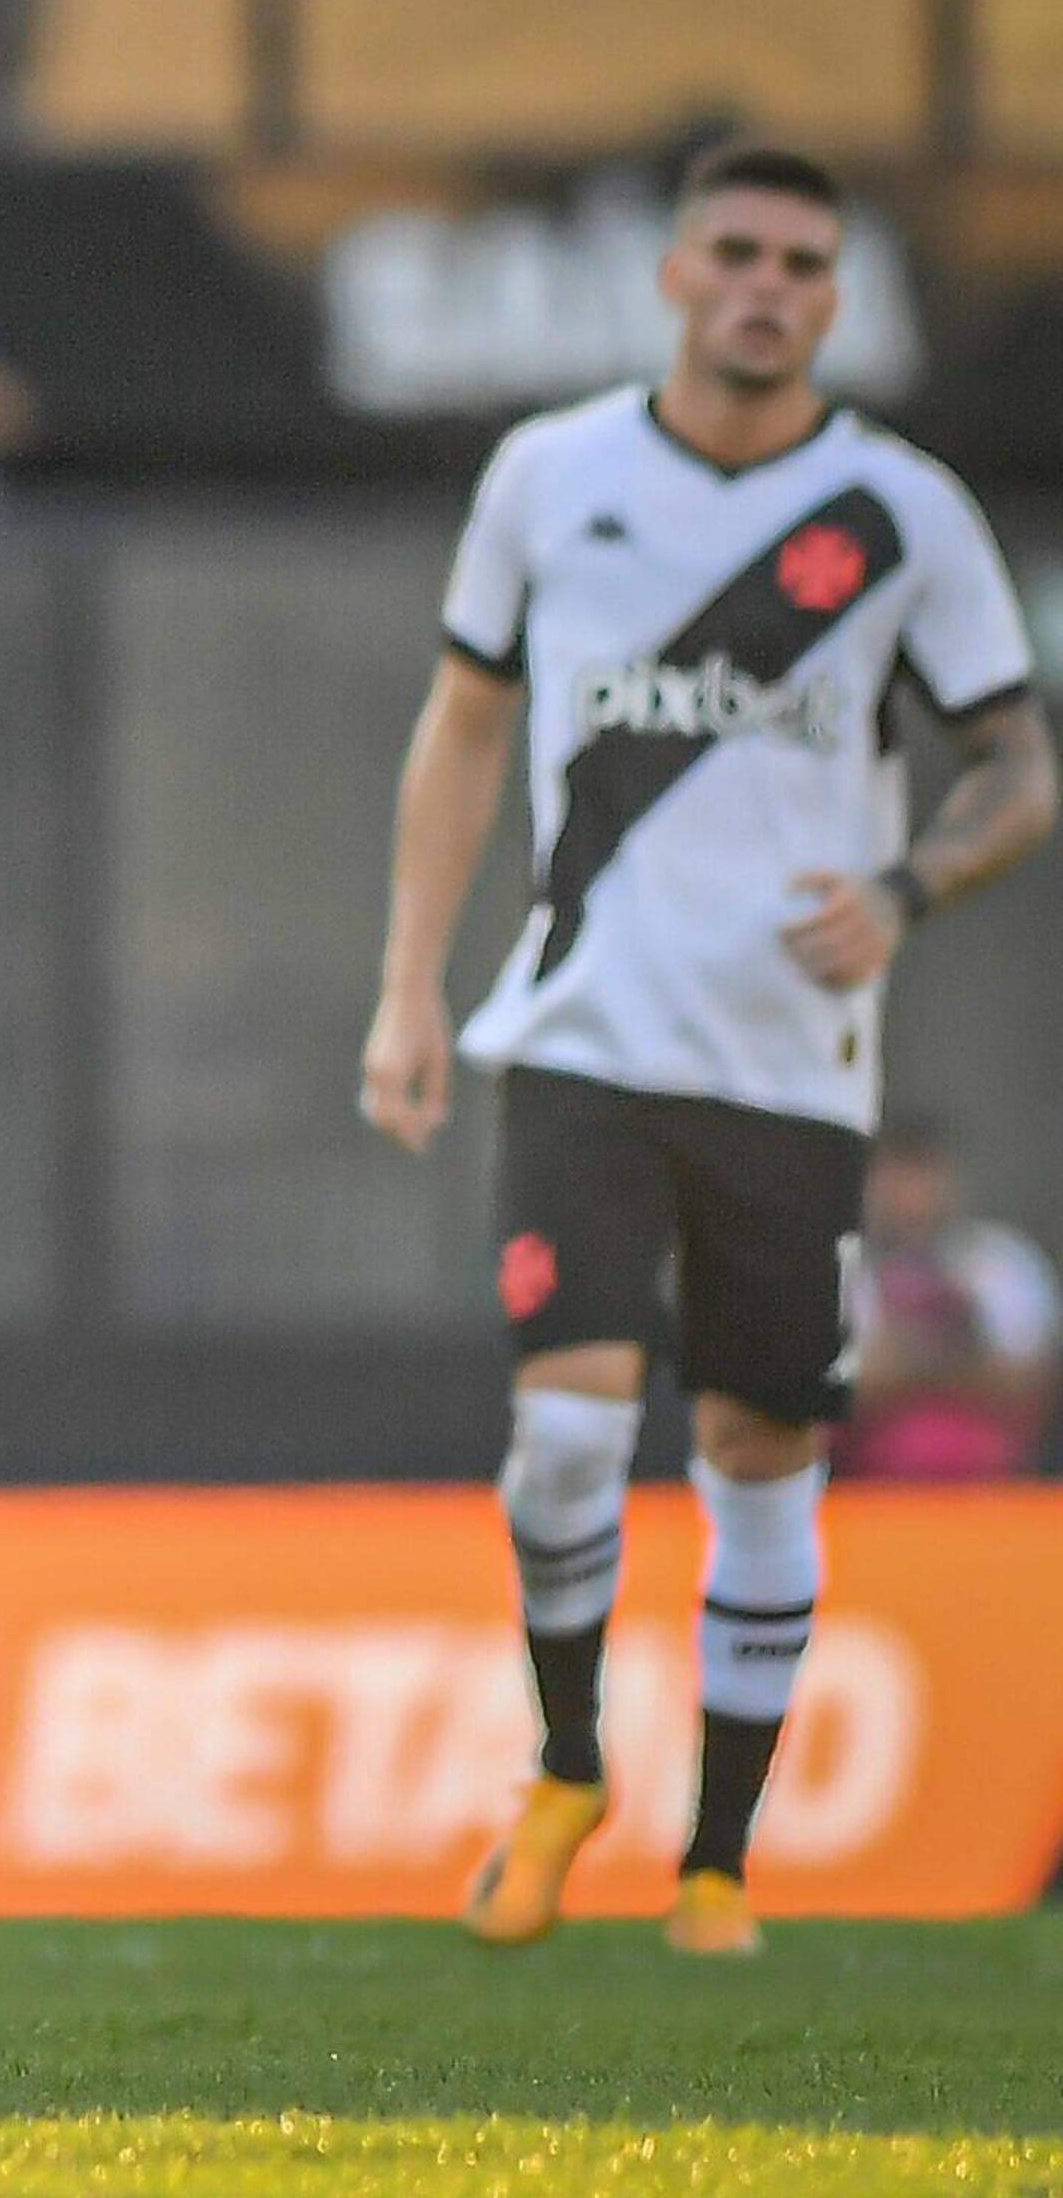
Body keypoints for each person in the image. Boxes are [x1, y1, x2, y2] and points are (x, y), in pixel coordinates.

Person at [359, 141, 1055, 1959]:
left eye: (802, 263)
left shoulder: (896, 516)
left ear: (836, 299)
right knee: (568, 1431)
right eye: (734, 252)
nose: (766, 286)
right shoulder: (553, 477)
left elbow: (1018, 763)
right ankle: (567, 1765)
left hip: (789, 1069)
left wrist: (905, 885)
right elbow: (460, 727)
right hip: (579, 1039)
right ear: (674, 272)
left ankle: (722, 1866)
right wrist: (409, 985)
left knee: (758, 1451)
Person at [842, 1116, 1061, 1480]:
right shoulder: (847, 1271)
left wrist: (912, 1363)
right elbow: (838, 1397)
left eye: (925, 1176)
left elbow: (1035, 1386)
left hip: (1000, 1492)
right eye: (898, 1178)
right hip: (869, 1496)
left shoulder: (1001, 1262)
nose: (913, 1198)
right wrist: (957, 1363)